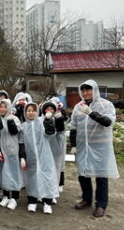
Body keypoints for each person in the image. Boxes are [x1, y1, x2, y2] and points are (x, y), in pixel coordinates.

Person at [70, 80, 119, 218]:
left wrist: (91, 112)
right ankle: (86, 199)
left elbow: (108, 122)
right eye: (83, 90)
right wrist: (73, 145)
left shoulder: (106, 105)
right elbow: (74, 127)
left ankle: (101, 205)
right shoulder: (78, 107)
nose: (85, 93)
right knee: (83, 174)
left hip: (100, 146)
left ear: (95, 90)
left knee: (101, 176)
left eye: (88, 90)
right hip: (82, 146)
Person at [22, 102, 59, 214]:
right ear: (25, 112)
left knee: (47, 177)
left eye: (33, 110)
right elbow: (21, 143)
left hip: (44, 156)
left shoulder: (42, 122)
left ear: (37, 111)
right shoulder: (23, 126)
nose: (31, 113)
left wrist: (48, 121)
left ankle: (47, 203)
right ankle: (32, 201)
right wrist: (22, 157)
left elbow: (50, 133)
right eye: (28, 110)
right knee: (32, 178)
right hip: (31, 157)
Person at [0, 99, 24, 210]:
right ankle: (6, 195)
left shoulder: (15, 119)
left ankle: (14, 198)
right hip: (2, 151)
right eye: (1, 106)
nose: (3, 109)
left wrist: (11, 121)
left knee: (14, 173)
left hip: (13, 151)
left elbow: (15, 132)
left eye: (5, 106)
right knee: (4, 174)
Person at [41, 100, 66, 202]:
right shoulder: (40, 120)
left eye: (52, 109)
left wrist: (59, 119)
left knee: (55, 170)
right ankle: (42, 191)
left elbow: (60, 131)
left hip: (55, 148)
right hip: (44, 148)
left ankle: (52, 193)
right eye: (48, 109)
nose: (50, 111)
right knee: (44, 170)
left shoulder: (58, 119)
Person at [50, 96, 68, 193]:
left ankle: (60, 183)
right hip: (50, 140)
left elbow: (63, 126)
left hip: (60, 140)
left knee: (60, 163)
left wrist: (60, 117)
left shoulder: (60, 113)